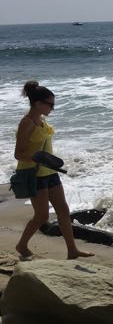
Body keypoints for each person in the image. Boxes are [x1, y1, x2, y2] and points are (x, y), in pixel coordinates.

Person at [14, 81, 94, 260]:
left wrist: (48, 162)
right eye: (50, 105)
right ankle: (22, 245)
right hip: (34, 174)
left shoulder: (42, 121)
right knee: (42, 216)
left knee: (63, 210)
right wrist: (38, 158)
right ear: (38, 103)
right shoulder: (26, 123)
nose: (53, 108)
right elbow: (18, 154)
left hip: (50, 172)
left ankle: (72, 250)